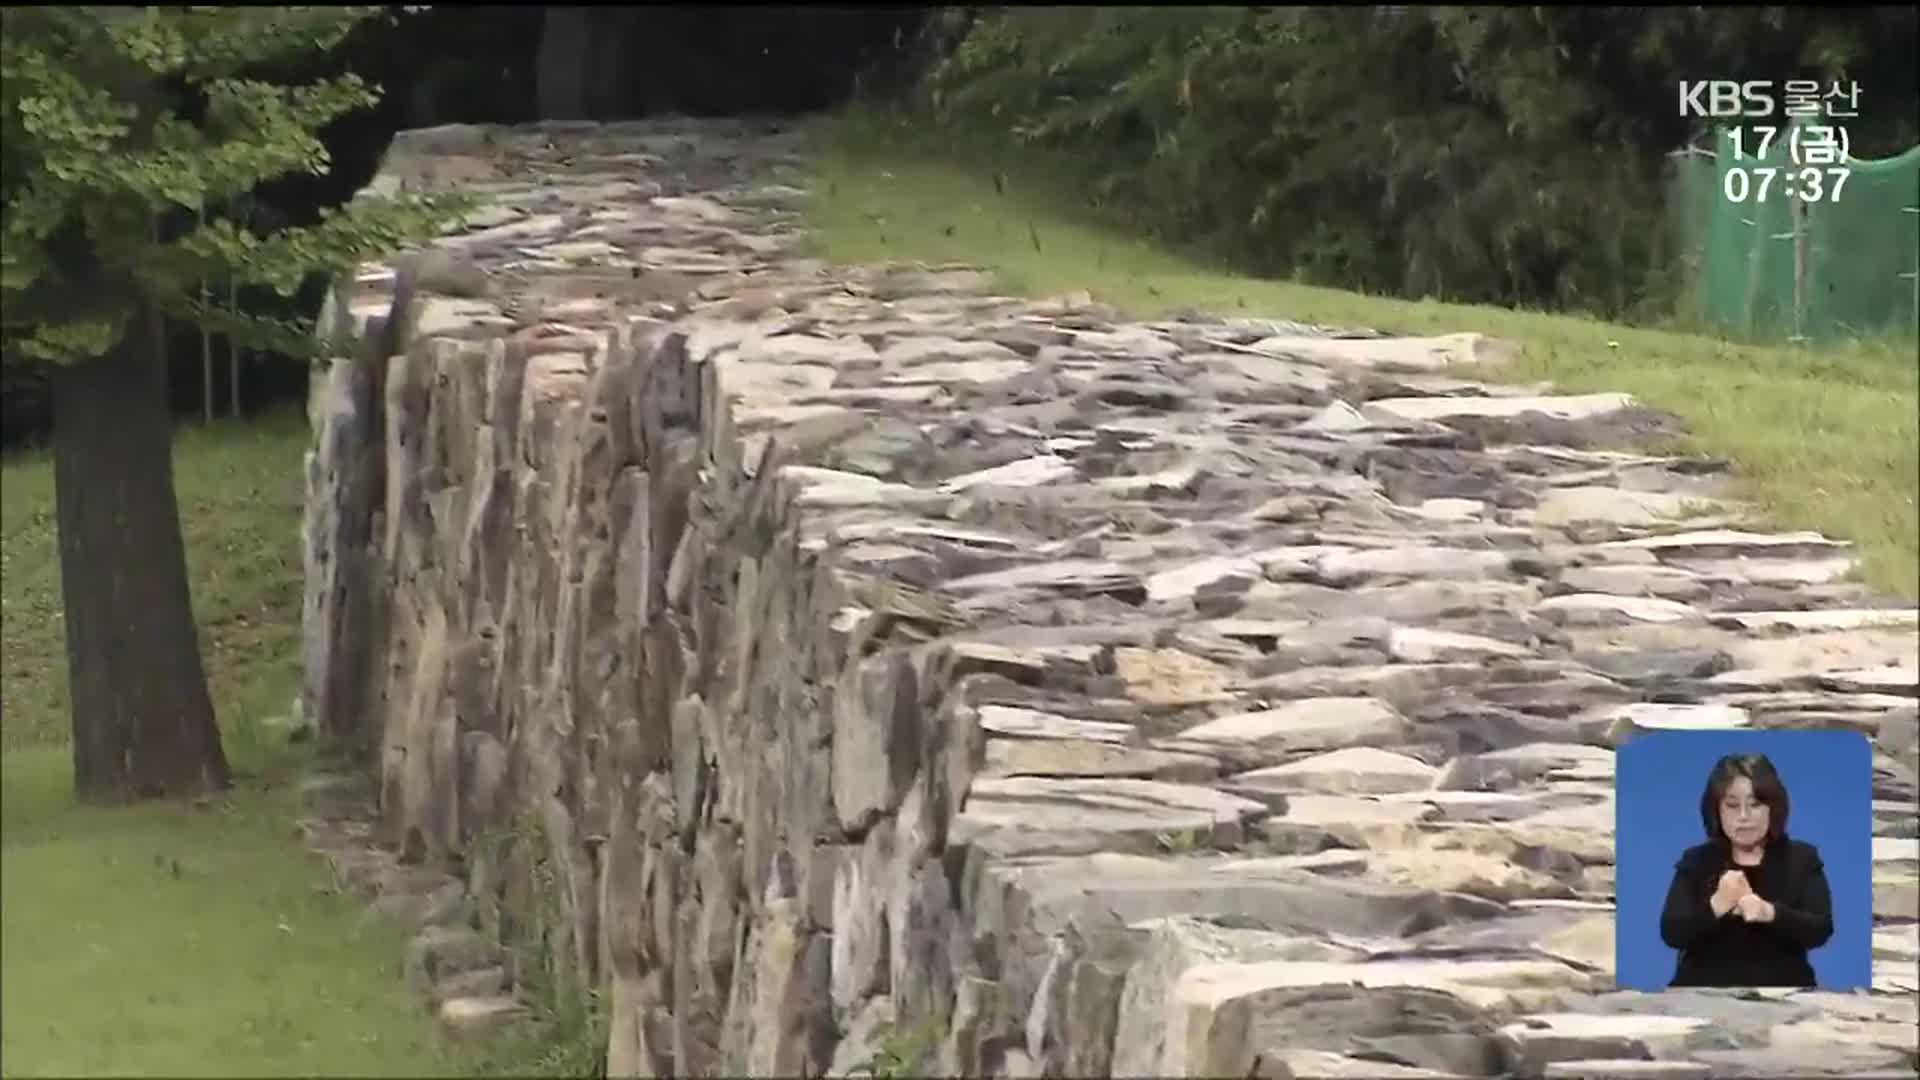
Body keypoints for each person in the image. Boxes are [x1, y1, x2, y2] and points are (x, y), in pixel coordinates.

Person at [1658, 752, 1834, 988]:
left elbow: (1820, 929)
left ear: (1773, 807)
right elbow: (1672, 933)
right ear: (1716, 810)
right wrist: (1717, 905)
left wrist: (1769, 913)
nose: (1743, 816)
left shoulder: (1802, 859)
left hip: (1784, 996)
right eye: (1732, 805)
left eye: (1755, 804)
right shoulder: (1697, 860)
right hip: (1701, 995)